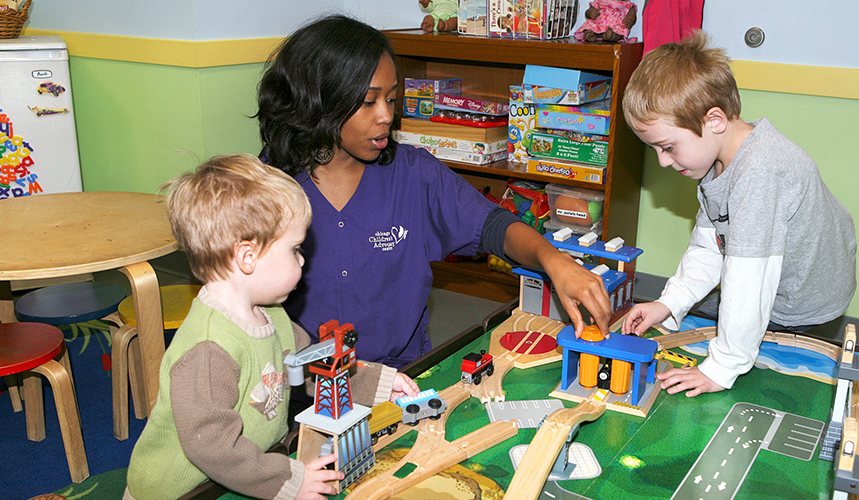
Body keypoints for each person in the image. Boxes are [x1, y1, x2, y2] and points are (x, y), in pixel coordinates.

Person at [256, 15, 612, 368]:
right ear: (319, 100)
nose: (385, 116)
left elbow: (494, 226)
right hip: (303, 385)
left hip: (402, 375)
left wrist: (555, 261)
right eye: (368, 101)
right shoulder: (270, 184)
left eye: (392, 100)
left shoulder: (413, 174)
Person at [125, 155, 419, 500]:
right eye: (295, 249)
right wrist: (288, 481)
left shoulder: (273, 315)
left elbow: (316, 369)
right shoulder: (208, 349)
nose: (303, 260)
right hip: (180, 491)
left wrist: (381, 384)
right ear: (247, 256)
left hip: (241, 474)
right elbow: (213, 447)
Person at [620, 31, 857, 397]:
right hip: (776, 277)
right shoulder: (717, 162)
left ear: (714, 120)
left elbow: (748, 279)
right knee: (727, 307)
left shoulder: (758, 173)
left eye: (667, 147)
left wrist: (721, 367)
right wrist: (667, 304)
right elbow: (710, 246)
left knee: (770, 377)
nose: (663, 161)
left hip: (803, 299)